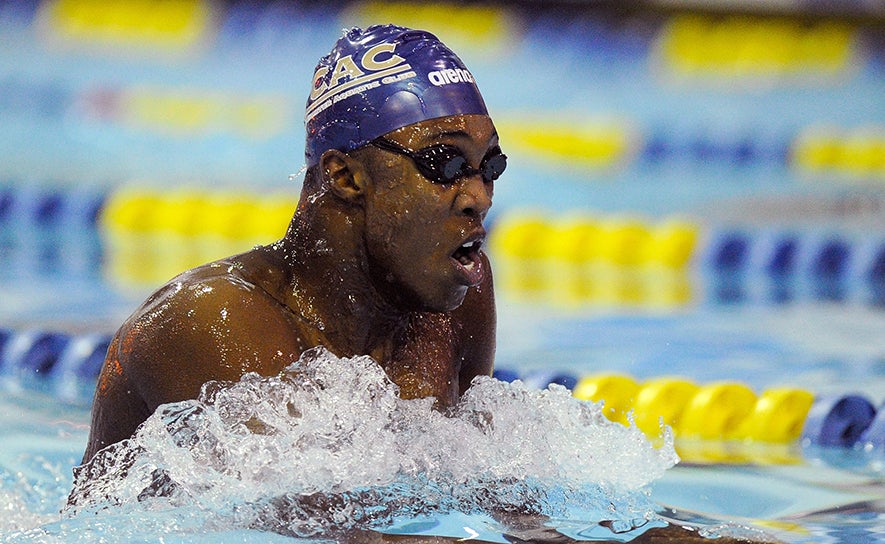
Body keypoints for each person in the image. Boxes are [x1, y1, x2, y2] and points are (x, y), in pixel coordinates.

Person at [82, 25, 502, 463]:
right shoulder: (209, 322)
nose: (480, 196)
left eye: (490, 165)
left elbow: (479, 483)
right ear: (345, 177)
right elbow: (313, 522)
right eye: (445, 163)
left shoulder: (457, 296)